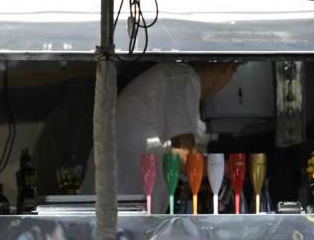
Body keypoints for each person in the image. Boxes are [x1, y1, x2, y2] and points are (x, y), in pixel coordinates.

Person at [80, 62, 238, 213]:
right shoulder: (183, 78)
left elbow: (174, 156)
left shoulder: (170, 76)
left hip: (116, 206)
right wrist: (225, 168)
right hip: (120, 210)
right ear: (229, 69)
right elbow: (184, 158)